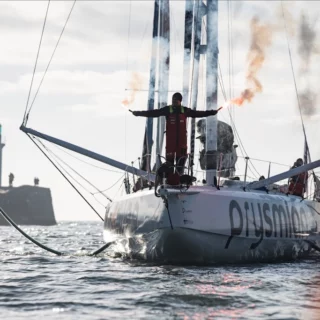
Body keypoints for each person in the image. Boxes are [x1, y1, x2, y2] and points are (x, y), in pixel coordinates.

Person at [131, 92, 222, 185]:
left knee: (180, 164)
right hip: (170, 143)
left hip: (182, 144)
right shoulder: (167, 110)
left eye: (176, 100)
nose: (174, 102)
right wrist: (138, 113)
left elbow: (198, 113)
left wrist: (211, 112)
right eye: (173, 100)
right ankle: (170, 181)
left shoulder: (185, 111)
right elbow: (153, 113)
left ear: (180, 101)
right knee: (169, 164)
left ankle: (179, 181)